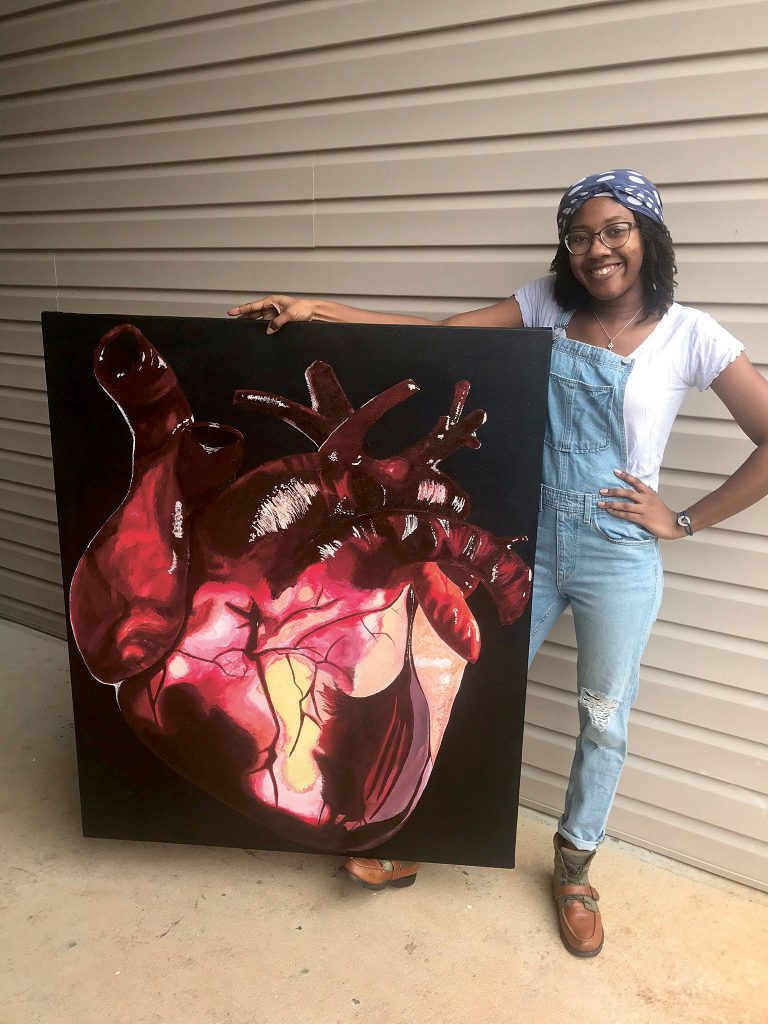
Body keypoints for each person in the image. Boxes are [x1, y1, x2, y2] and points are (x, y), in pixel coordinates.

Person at [227, 170, 768, 958]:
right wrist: (321, 309)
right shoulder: (546, 307)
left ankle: (576, 867)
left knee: (603, 719)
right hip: (534, 536)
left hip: (619, 552)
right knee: (469, 684)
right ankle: (435, 832)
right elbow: (438, 331)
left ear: (649, 235)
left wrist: (683, 519)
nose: (596, 249)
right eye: (579, 236)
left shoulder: (694, 335)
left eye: (614, 229)